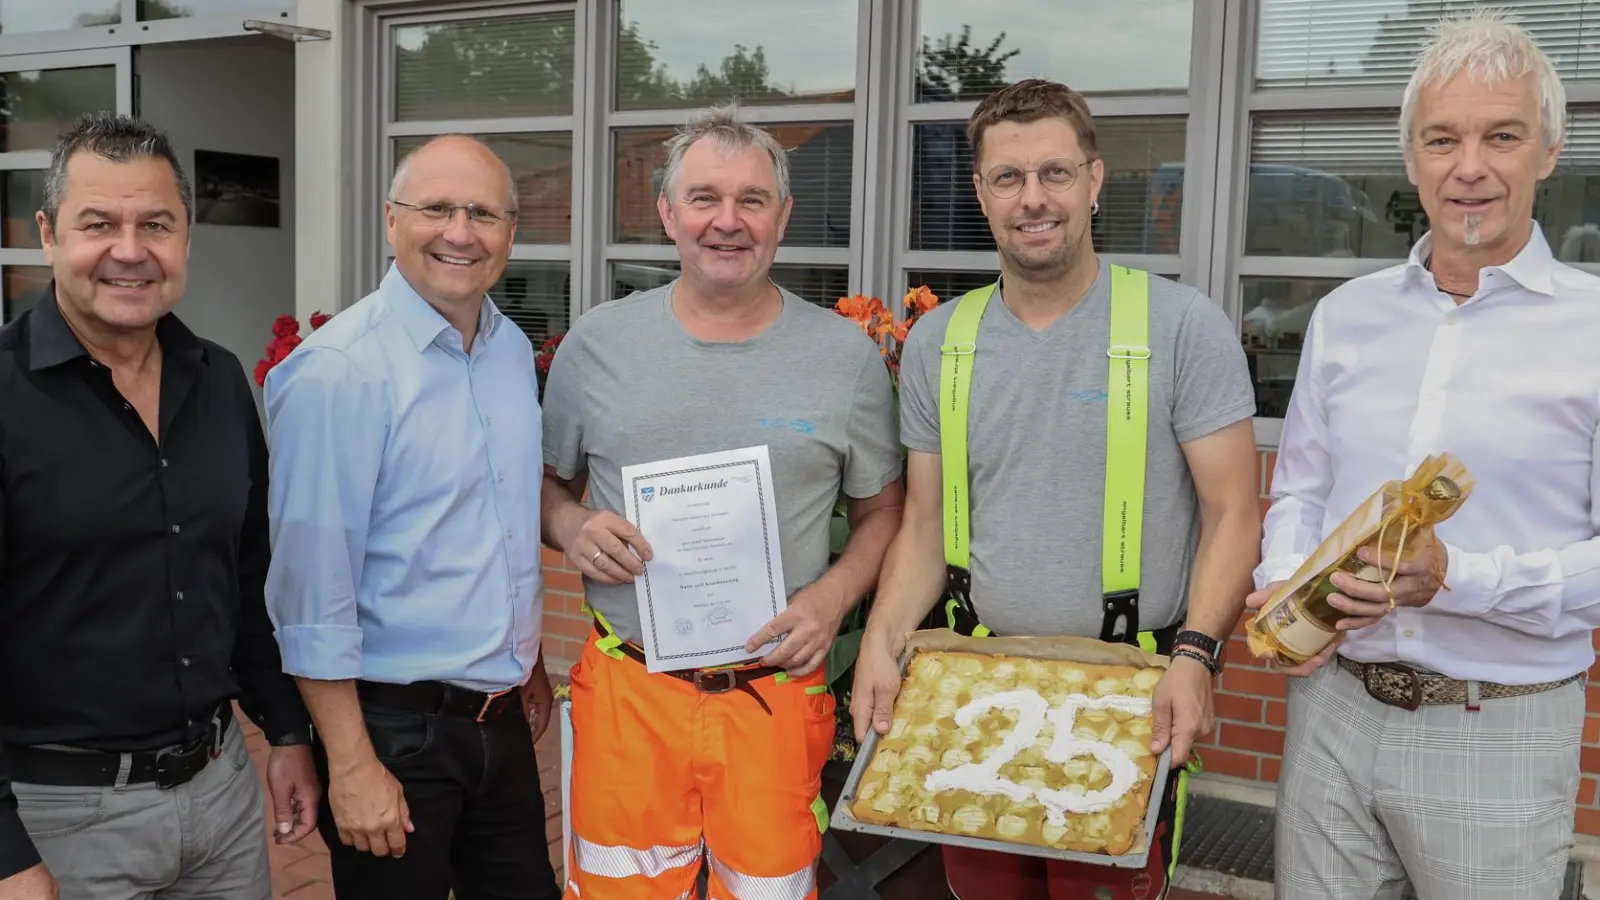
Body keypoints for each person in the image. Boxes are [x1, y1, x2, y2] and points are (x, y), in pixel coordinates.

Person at [851, 78, 1262, 900]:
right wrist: (880, 641)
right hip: (974, 688)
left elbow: (1233, 512)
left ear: (1095, 180)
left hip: (1128, 695)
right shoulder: (941, 341)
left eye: (1055, 173)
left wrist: (1197, 658)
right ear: (980, 192)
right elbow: (927, 523)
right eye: (1009, 178)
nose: (1033, 199)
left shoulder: (1180, 326)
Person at [1246, 10, 1600, 900]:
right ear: (1411, 159)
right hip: (1332, 707)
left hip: (1498, 725)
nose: (1469, 166)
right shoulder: (1347, 315)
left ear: (1549, 151)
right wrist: (1292, 590)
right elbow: (1302, 488)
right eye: (1442, 139)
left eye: (1501, 136)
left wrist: (1461, 578)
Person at [542, 106, 905, 900]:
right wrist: (568, 523)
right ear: (667, 213)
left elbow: (884, 511)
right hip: (631, 693)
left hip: (772, 698)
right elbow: (545, 488)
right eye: (704, 198)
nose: (728, 222)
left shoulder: (844, 359)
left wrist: (833, 595)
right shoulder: (596, 344)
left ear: (783, 217)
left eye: (753, 200)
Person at [0, 112, 319, 900]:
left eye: (156, 224)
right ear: (47, 233)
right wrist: (6, 856)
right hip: (60, 820)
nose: (130, 250)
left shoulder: (216, 380)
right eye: (98, 224)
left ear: (185, 239)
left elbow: (246, 576)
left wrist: (286, 732)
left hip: (221, 796)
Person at [263, 134, 560, 900]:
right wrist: (352, 764)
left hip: (498, 726)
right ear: (391, 221)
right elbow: (310, 594)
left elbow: (492, 520)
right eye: (437, 209)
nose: (460, 232)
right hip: (394, 737)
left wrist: (528, 659)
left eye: (484, 214)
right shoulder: (339, 371)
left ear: (511, 233)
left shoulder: (507, 350)